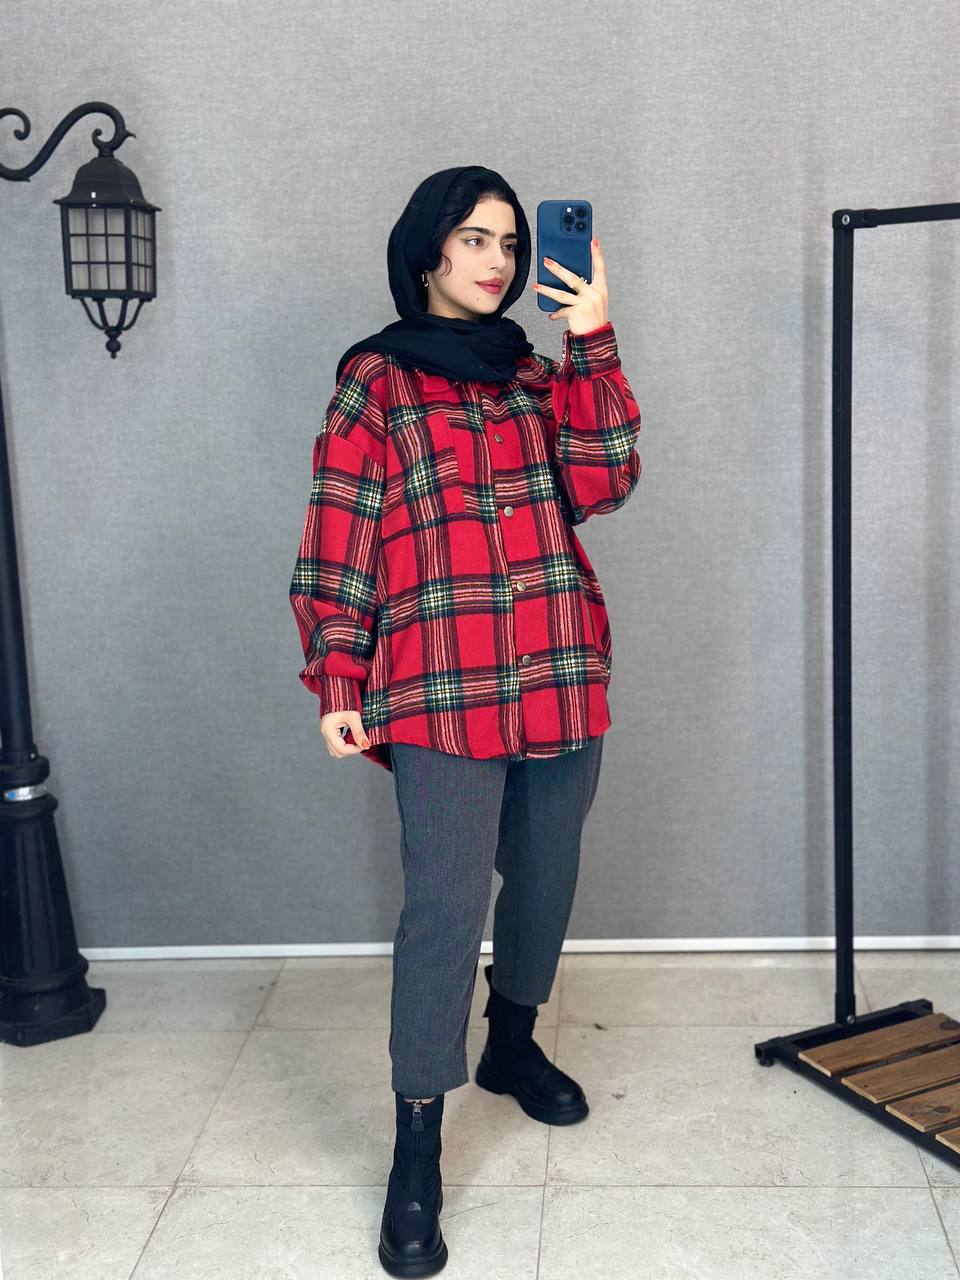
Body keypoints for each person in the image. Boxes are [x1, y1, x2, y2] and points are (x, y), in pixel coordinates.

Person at [289, 165, 642, 1277]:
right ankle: (417, 1143)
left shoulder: (537, 376)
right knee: (444, 908)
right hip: (441, 683)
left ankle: (513, 1044)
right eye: (475, 238)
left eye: (510, 242)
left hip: (560, 672)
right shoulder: (377, 381)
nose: (497, 261)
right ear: (428, 249)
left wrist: (591, 337)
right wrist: (339, 675)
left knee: (543, 878)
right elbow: (340, 531)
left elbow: (606, 480)